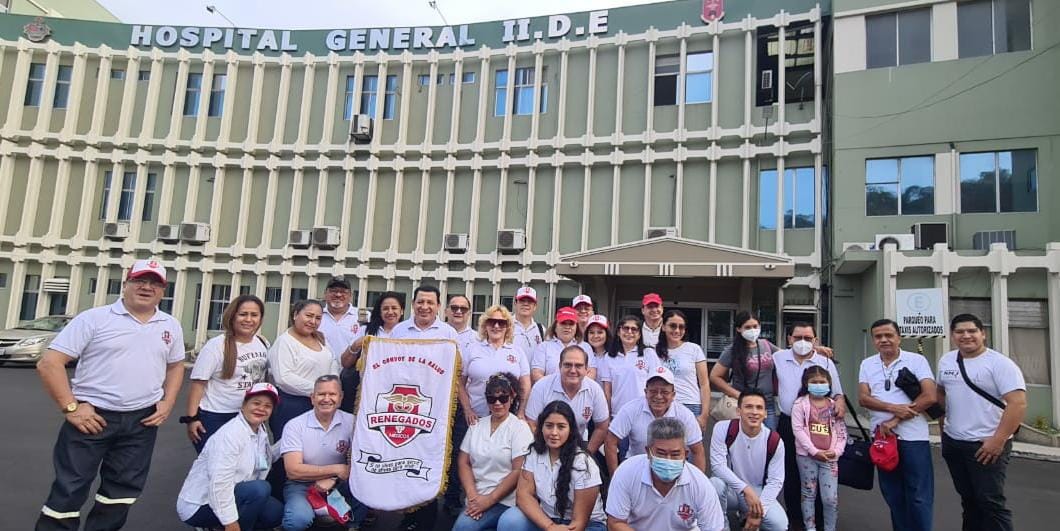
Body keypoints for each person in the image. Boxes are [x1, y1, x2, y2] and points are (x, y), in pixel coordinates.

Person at [35, 259, 185, 531]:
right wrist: (71, 408)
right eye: (140, 280)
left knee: (121, 493)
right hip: (92, 418)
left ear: (163, 291)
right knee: (70, 489)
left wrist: (168, 401)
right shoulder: (94, 319)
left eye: (154, 283)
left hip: (141, 422)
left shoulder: (170, 325)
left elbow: (175, 366)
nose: (147, 287)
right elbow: (49, 363)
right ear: (125, 284)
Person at [938, 313, 1027, 531]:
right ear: (952, 335)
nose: (966, 336)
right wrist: (943, 431)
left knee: (991, 502)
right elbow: (941, 393)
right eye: (960, 331)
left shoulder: (1000, 364)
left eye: (972, 331)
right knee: (969, 500)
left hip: (986, 445)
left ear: (983, 334)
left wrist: (998, 441)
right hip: (954, 442)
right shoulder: (947, 360)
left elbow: (1017, 403)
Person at [858, 318, 937, 531]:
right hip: (882, 438)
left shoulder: (917, 361)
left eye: (889, 335)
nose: (884, 340)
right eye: (878, 336)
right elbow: (863, 398)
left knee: (918, 495)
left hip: (913, 438)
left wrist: (896, 419)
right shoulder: (867, 364)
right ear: (873, 340)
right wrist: (893, 408)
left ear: (899, 337)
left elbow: (929, 396)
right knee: (893, 494)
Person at [176, 382, 284, 530]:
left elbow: (265, 459)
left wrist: (289, 439)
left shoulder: (259, 431)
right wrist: (230, 523)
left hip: (235, 491)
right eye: (256, 403)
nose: (261, 409)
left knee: (275, 513)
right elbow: (219, 483)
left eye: (267, 406)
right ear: (243, 405)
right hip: (201, 503)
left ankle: (221, 526)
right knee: (259, 489)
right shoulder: (230, 435)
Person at [771, 321, 845, 529]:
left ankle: (820, 520)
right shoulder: (778, 358)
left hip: (820, 423)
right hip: (789, 424)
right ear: (789, 339)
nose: (802, 342)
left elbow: (838, 393)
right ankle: (796, 519)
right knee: (792, 472)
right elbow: (759, 347)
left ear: (815, 340)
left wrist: (840, 403)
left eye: (807, 338)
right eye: (797, 338)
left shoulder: (825, 362)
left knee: (821, 471)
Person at [497, 401, 607, 531]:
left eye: (561, 427)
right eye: (549, 426)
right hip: (548, 519)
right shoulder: (534, 453)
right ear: (541, 427)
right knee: (510, 520)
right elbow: (523, 495)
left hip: (587, 525)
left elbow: (579, 523)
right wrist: (550, 526)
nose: (554, 432)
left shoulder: (583, 463)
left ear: (570, 430)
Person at [184, 294, 269, 453]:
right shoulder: (216, 346)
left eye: (254, 315)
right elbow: (198, 384)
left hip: (246, 417)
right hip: (216, 417)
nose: (248, 319)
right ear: (232, 316)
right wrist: (192, 418)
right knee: (217, 465)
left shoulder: (262, 343)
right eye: (243, 314)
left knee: (245, 465)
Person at [606, 417, 725, 531]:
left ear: (685, 454)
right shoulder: (627, 472)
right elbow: (615, 523)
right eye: (661, 453)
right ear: (648, 452)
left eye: (675, 454)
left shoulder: (700, 484)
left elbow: (713, 528)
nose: (668, 459)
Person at [280, 375, 366, 531]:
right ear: (312, 398)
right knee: (298, 520)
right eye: (321, 394)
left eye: (332, 394)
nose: (327, 399)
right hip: (302, 484)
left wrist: (333, 478)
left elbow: (363, 461)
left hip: (338, 483)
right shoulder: (295, 425)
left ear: (340, 397)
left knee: (365, 484)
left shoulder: (352, 422)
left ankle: (352, 525)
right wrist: (336, 469)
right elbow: (293, 471)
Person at [454, 373, 534, 531]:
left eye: (503, 398)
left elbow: (518, 470)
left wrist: (489, 500)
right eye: (492, 398)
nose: (497, 403)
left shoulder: (519, 428)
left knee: (465, 526)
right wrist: (472, 496)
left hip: (506, 500)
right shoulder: (476, 425)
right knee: (462, 527)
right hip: (477, 497)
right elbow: (463, 462)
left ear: (512, 397)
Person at [709, 390, 788, 531]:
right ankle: (721, 526)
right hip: (730, 489)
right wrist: (744, 489)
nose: (754, 412)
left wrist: (758, 513)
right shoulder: (723, 428)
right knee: (715, 484)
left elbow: (775, 481)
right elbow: (717, 466)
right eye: (748, 407)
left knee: (779, 525)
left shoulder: (774, 440)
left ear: (765, 413)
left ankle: (746, 516)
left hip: (757, 491)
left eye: (759, 408)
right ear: (738, 411)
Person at [606, 366, 705, 475]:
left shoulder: (685, 415)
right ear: (645, 392)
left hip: (673, 470)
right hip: (637, 467)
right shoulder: (630, 409)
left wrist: (697, 480)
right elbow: (610, 441)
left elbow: (698, 451)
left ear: (673, 395)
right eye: (653, 391)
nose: (658, 396)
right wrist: (615, 477)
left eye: (664, 392)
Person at [267, 299, 341, 439]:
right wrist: (319, 390)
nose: (313, 321)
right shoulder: (284, 342)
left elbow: (333, 362)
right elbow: (283, 378)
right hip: (292, 406)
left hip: (320, 405)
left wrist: (331, 388)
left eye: (318, 318)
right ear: (295, 315)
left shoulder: (320, 338)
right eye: (309, 316)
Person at [598, 314, 662, 463]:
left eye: (634, 329)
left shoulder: (648, 354)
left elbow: (657, 385)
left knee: (646, 457)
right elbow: (607, 390)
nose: (629, 332)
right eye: (625, 328)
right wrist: (608, 417)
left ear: (639, 334)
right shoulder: (609, 357)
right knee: (623, 459)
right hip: (619, 415)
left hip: (644, 414)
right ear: (618, 332)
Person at [791, 366, 847, 531]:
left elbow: (842, 432)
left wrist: (836, 451)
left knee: (830, 498)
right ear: (806, 383)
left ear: (829, 383)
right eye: (814, 382)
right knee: (808, 493)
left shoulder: (833, 406)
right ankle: (810, 527)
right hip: (806, 457)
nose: (818, 385)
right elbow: (798, 430)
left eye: (822, 382)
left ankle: (830, 528)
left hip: (830, 458)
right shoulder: (799, 404)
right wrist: (813, 451)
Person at [526, 346, 611, 455]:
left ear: (586, 369)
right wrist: (547, 453)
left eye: (578, 366)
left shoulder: (595, 389)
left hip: (578, 448)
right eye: (568, 365)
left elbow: (602, 426)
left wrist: (586, 455)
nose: (573, 370)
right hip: (545, 448)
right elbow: (531, 424)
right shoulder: (541, 387)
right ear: (560, 366)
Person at [710, 311, 780, 429]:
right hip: (744, 405)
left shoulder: (766, 345)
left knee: (768, 438)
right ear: (738, 329)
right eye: (747, 327)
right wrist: (737, 394)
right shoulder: (732, 350)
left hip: (767, 404)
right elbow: (714, 376)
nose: (752, 330)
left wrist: (812, 350)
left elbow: (786, 356)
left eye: (755, 326)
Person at [461, 305, 531, 420]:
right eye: (492, 322)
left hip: (508, 418)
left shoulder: (517, 352)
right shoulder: (471, 349)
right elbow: (460, 383)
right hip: (475, 417)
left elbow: (525, 385)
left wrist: (521, 411)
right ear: (485, 325)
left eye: (501, 323)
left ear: (507, 327)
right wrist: (467, 410)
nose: (496, 326)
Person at [655, 310, 711, 432]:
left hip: (690, 405)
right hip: (661, 405)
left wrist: (704, 414)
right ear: (663, 327)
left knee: (690, 444)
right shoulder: (654, 352)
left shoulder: (694, 349)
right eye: (672, 326)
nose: (677, 330)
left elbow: (704, 384)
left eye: (681, 327)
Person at [318, 276, 362, 414]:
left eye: (343, 292)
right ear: (325, 293)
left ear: (350, 295)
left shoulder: (362, 317)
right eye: (333, 291)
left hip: (352, 381)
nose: (338, 295)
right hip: (321, 379)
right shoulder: (316, 316)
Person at [341, 290, 405, 370]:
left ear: (402, 311)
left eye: (394, 308)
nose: (390, 312)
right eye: (385, 309)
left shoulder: (409, 332)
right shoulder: (366, 330)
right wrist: (355, 345)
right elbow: (345, 363)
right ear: (380, 312)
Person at [531, 306, 594, 383]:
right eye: (563, 323)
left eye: (571, 324)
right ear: (555, 326)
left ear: (576, 327)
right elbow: (536, 373)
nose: (567, 327)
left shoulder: (586, 347)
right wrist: (554, 387)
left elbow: (592, 372)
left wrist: (575, 386)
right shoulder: (543, 347)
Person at [391, 285, 458, 340]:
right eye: (420, 302)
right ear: (413, 304)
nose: (424, 307)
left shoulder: (449, 333)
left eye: (430, 303)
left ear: (438, 306)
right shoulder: (398, 330)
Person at [512, 286, 545, 360]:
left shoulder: (541, 330)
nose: (526, 304)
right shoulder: (505, 326)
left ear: (535, 306)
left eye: (530, 301)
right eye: (522, 301)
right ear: (515, 303)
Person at [583, 315, 612, 381]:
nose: (595, 336)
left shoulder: (615, 356)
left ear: (607, 334)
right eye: (591, 332)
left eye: (600, 332)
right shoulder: (581, 354)